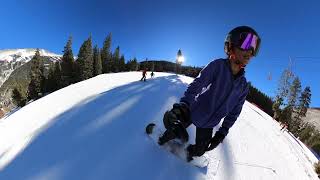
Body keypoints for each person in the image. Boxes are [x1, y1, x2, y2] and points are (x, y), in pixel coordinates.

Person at [157, 26, 261, 161]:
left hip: (209, 123)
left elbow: (234, 112)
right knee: (174, 129)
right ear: (231, 46)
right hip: (194, 110)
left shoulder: (243, 87)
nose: (250, 51)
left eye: (254, 47)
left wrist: (222, 132)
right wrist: (184, 105)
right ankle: (161, 137)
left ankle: (186, 152)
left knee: (201, 150)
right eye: (247, 43)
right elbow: (197, 85)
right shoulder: (217, 66)